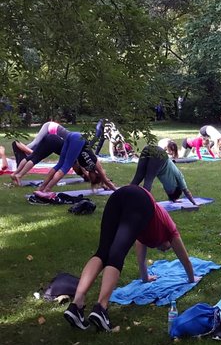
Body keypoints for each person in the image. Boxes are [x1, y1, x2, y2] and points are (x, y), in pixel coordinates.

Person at [63, 185, 200, 331]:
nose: (167, 250)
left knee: (103, 252)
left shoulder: (144, 231)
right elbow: (185, 259)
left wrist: (145, 278)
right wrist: (192, 279)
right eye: (169, 247)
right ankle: (101, 308)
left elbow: (141, 260)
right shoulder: (170, 230)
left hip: (120, 195)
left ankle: (76, 305)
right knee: (117, 254)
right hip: (141, 200)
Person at [36, 132, 115, 193]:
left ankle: (41, 188)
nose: (90, 178)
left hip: (71, 136)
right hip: (78, 139)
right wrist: (116, 190)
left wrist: (104, 186)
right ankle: (47, 189)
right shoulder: (97, 166)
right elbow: (106, 180)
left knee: (60, 165)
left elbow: (103, 180)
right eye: (92, 179)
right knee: (65, 168)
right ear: (97, 175)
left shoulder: (87, 170)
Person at [130, 146, 197, 205]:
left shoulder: (169, 187)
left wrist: (173, 200)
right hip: (160, 155)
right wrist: (194, 202)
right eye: (170, 191)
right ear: (175, 188)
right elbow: (186, 191)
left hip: (149, 148)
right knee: (147, 179)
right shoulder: (180, 178)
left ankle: (127, 196)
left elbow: (172, 195)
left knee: (139, 177)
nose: (167, 190)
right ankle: (144, 203)